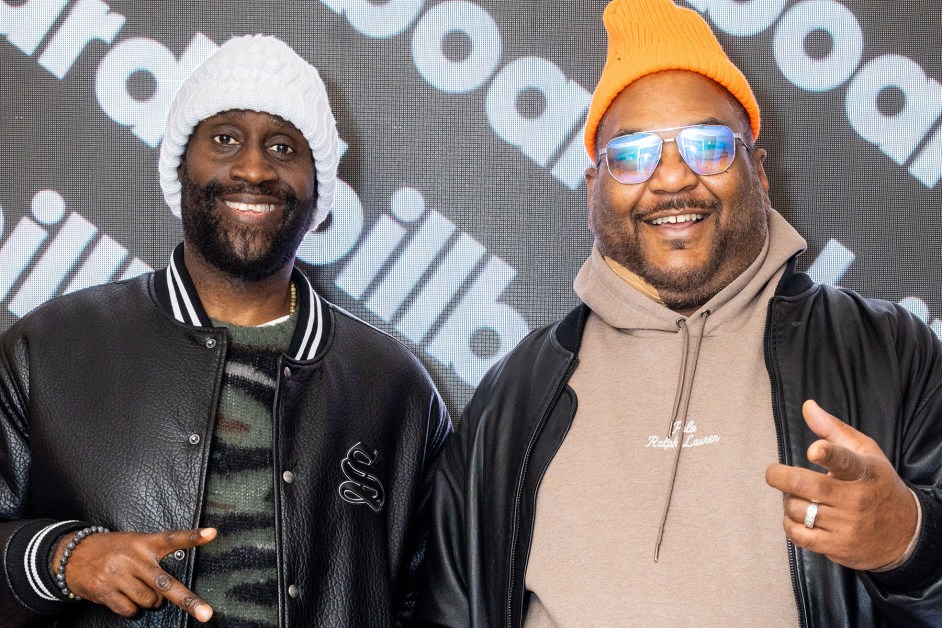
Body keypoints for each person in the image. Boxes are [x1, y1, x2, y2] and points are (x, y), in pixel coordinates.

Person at [415, 1, 942, 626]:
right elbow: (447, 609)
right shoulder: (516, 396)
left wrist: (910, 543)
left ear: (759, 173)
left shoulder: (889, 351)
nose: (671, 179)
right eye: (632, 155)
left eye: (708, 146)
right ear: (593, 188)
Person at [0, 35, 450, 627]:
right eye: (225, 139)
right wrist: (60, 557)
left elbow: (440, 600)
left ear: (317, 186)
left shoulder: (394, 388)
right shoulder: (49, 349)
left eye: (284, 147)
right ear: (180, 165)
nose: (254, 169)